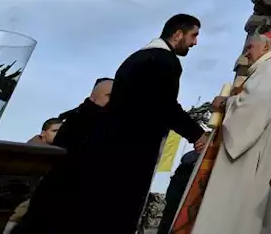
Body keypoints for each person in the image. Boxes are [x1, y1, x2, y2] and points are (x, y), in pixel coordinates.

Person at [73, 14, 207, 233]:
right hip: (132, 152)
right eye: (194, 35)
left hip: (108, 146)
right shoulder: (165, 61)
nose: (195, 42)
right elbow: (164, 105)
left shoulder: (136, 58)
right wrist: (197, 135)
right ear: (178, 34)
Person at [189, 32, 271, 234]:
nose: (246, 54)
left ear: (266, 47)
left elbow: (253, 107)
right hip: (263, 150)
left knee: (237, 216)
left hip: (253, 155)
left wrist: (225, 102)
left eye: (250, 48)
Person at [16, 79, 114, 233]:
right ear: (93, 97)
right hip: (57, 205)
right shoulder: (78, 122)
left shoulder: (107, 124)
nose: (114, 101)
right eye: (109, 95)